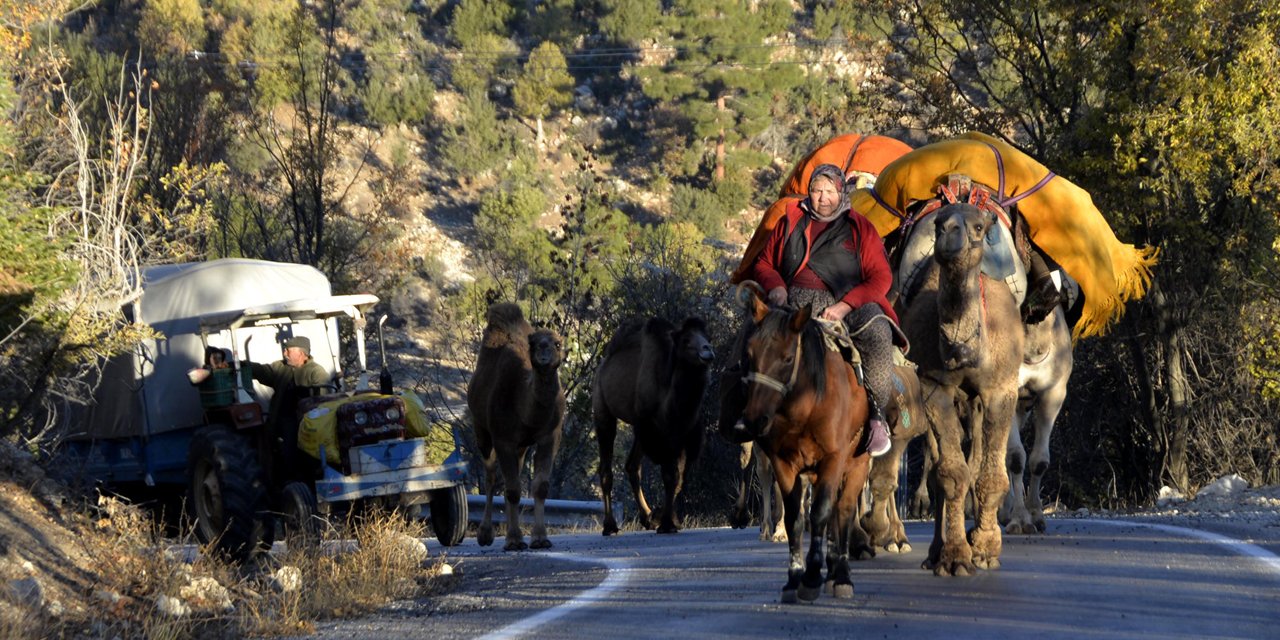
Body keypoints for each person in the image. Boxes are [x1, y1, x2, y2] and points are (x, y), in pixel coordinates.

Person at [749, 163, 900, 457]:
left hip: (848, 301)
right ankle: (743, 408)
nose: (823, 198)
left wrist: (844, 306)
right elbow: (764, 263)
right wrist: (776, 286)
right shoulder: (791, 221)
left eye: (830, 191)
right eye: (817, 190)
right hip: (794, 301)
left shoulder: (860, 228)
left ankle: (876, 416)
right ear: (809, 192)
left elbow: (881, 277)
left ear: (841, 192)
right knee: (754, 335)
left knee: (878, 334)